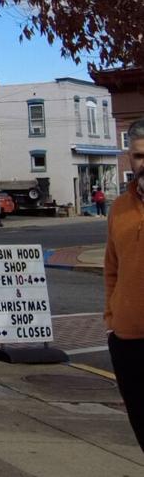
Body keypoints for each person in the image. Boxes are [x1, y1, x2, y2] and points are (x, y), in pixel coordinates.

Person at [106, 119, 144, 451]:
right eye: (139, 156)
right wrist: (112, 319)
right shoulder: (119, 208)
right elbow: (111, 269)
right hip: (128, 342)